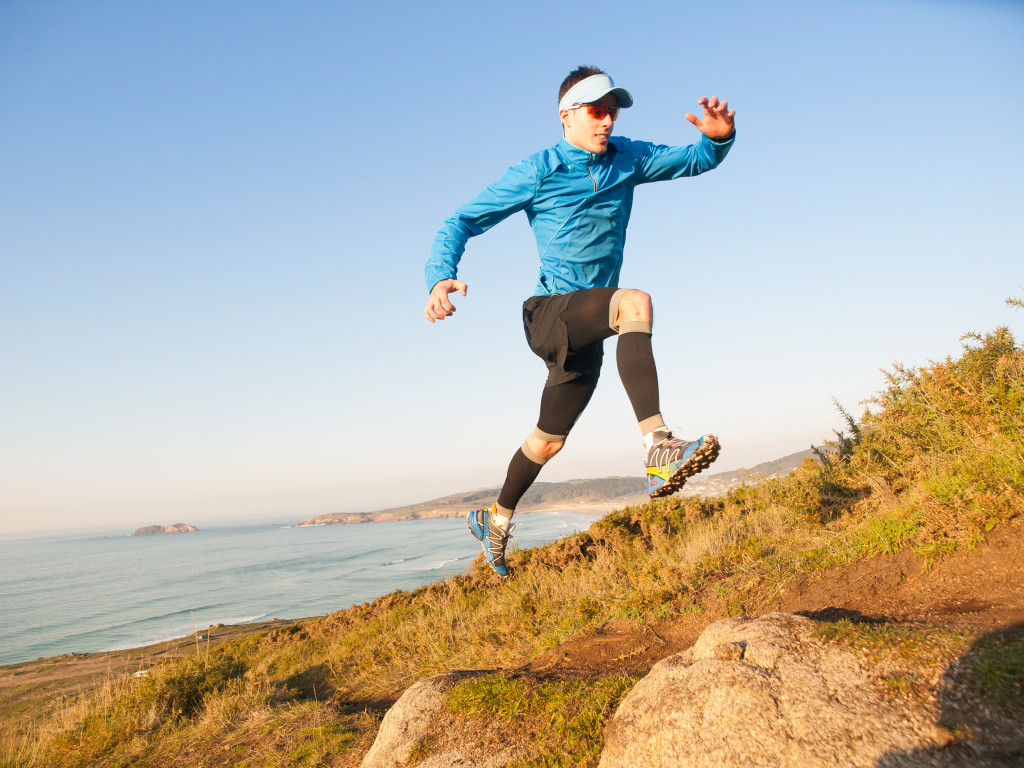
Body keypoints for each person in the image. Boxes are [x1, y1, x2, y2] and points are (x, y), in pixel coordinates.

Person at [424, 65, 736, 576]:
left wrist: (719, 141)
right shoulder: (540, 168)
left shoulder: (628, 157)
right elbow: (461, 219)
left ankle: (494, 522)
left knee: (548, 441)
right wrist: (441, 276)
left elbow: (694, 159)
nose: (607, 121)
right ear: (566, 116)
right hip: (549, 315)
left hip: (588, 325)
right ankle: (659, 447)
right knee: (635, 302)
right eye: (596, 110)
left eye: (612, 110)